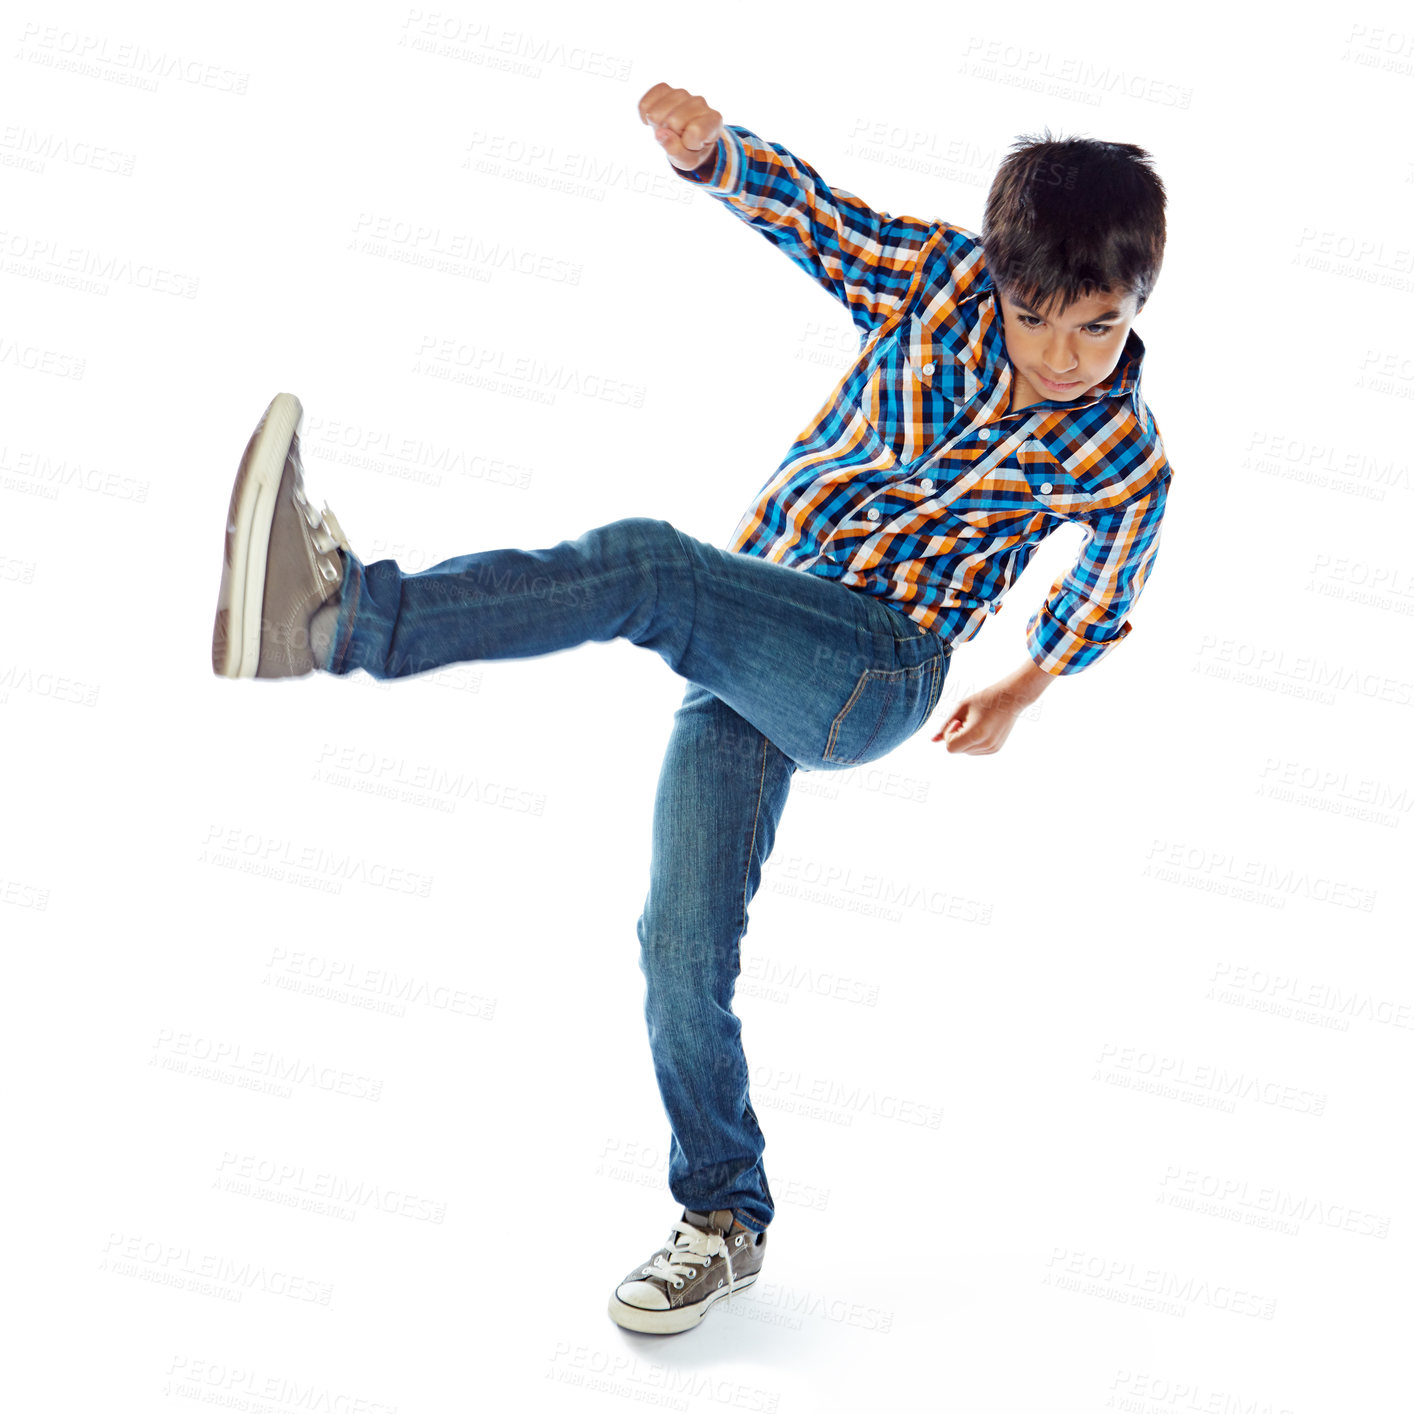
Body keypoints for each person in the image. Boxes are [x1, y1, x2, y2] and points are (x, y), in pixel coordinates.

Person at [210, 82, 1174, 1335]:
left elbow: (1110, 579)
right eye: (1035, 318)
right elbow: (821, 220)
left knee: (650, 570)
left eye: (1095, 330)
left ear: (1136, 304)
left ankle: (341, 619)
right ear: (997, 277)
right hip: (761, 629)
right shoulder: (935, 281)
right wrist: (717, 154)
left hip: (874, 670)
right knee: (678, 944)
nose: (1059, 358)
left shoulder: (1125, 454)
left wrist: (1024, 681)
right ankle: (724, 1215)